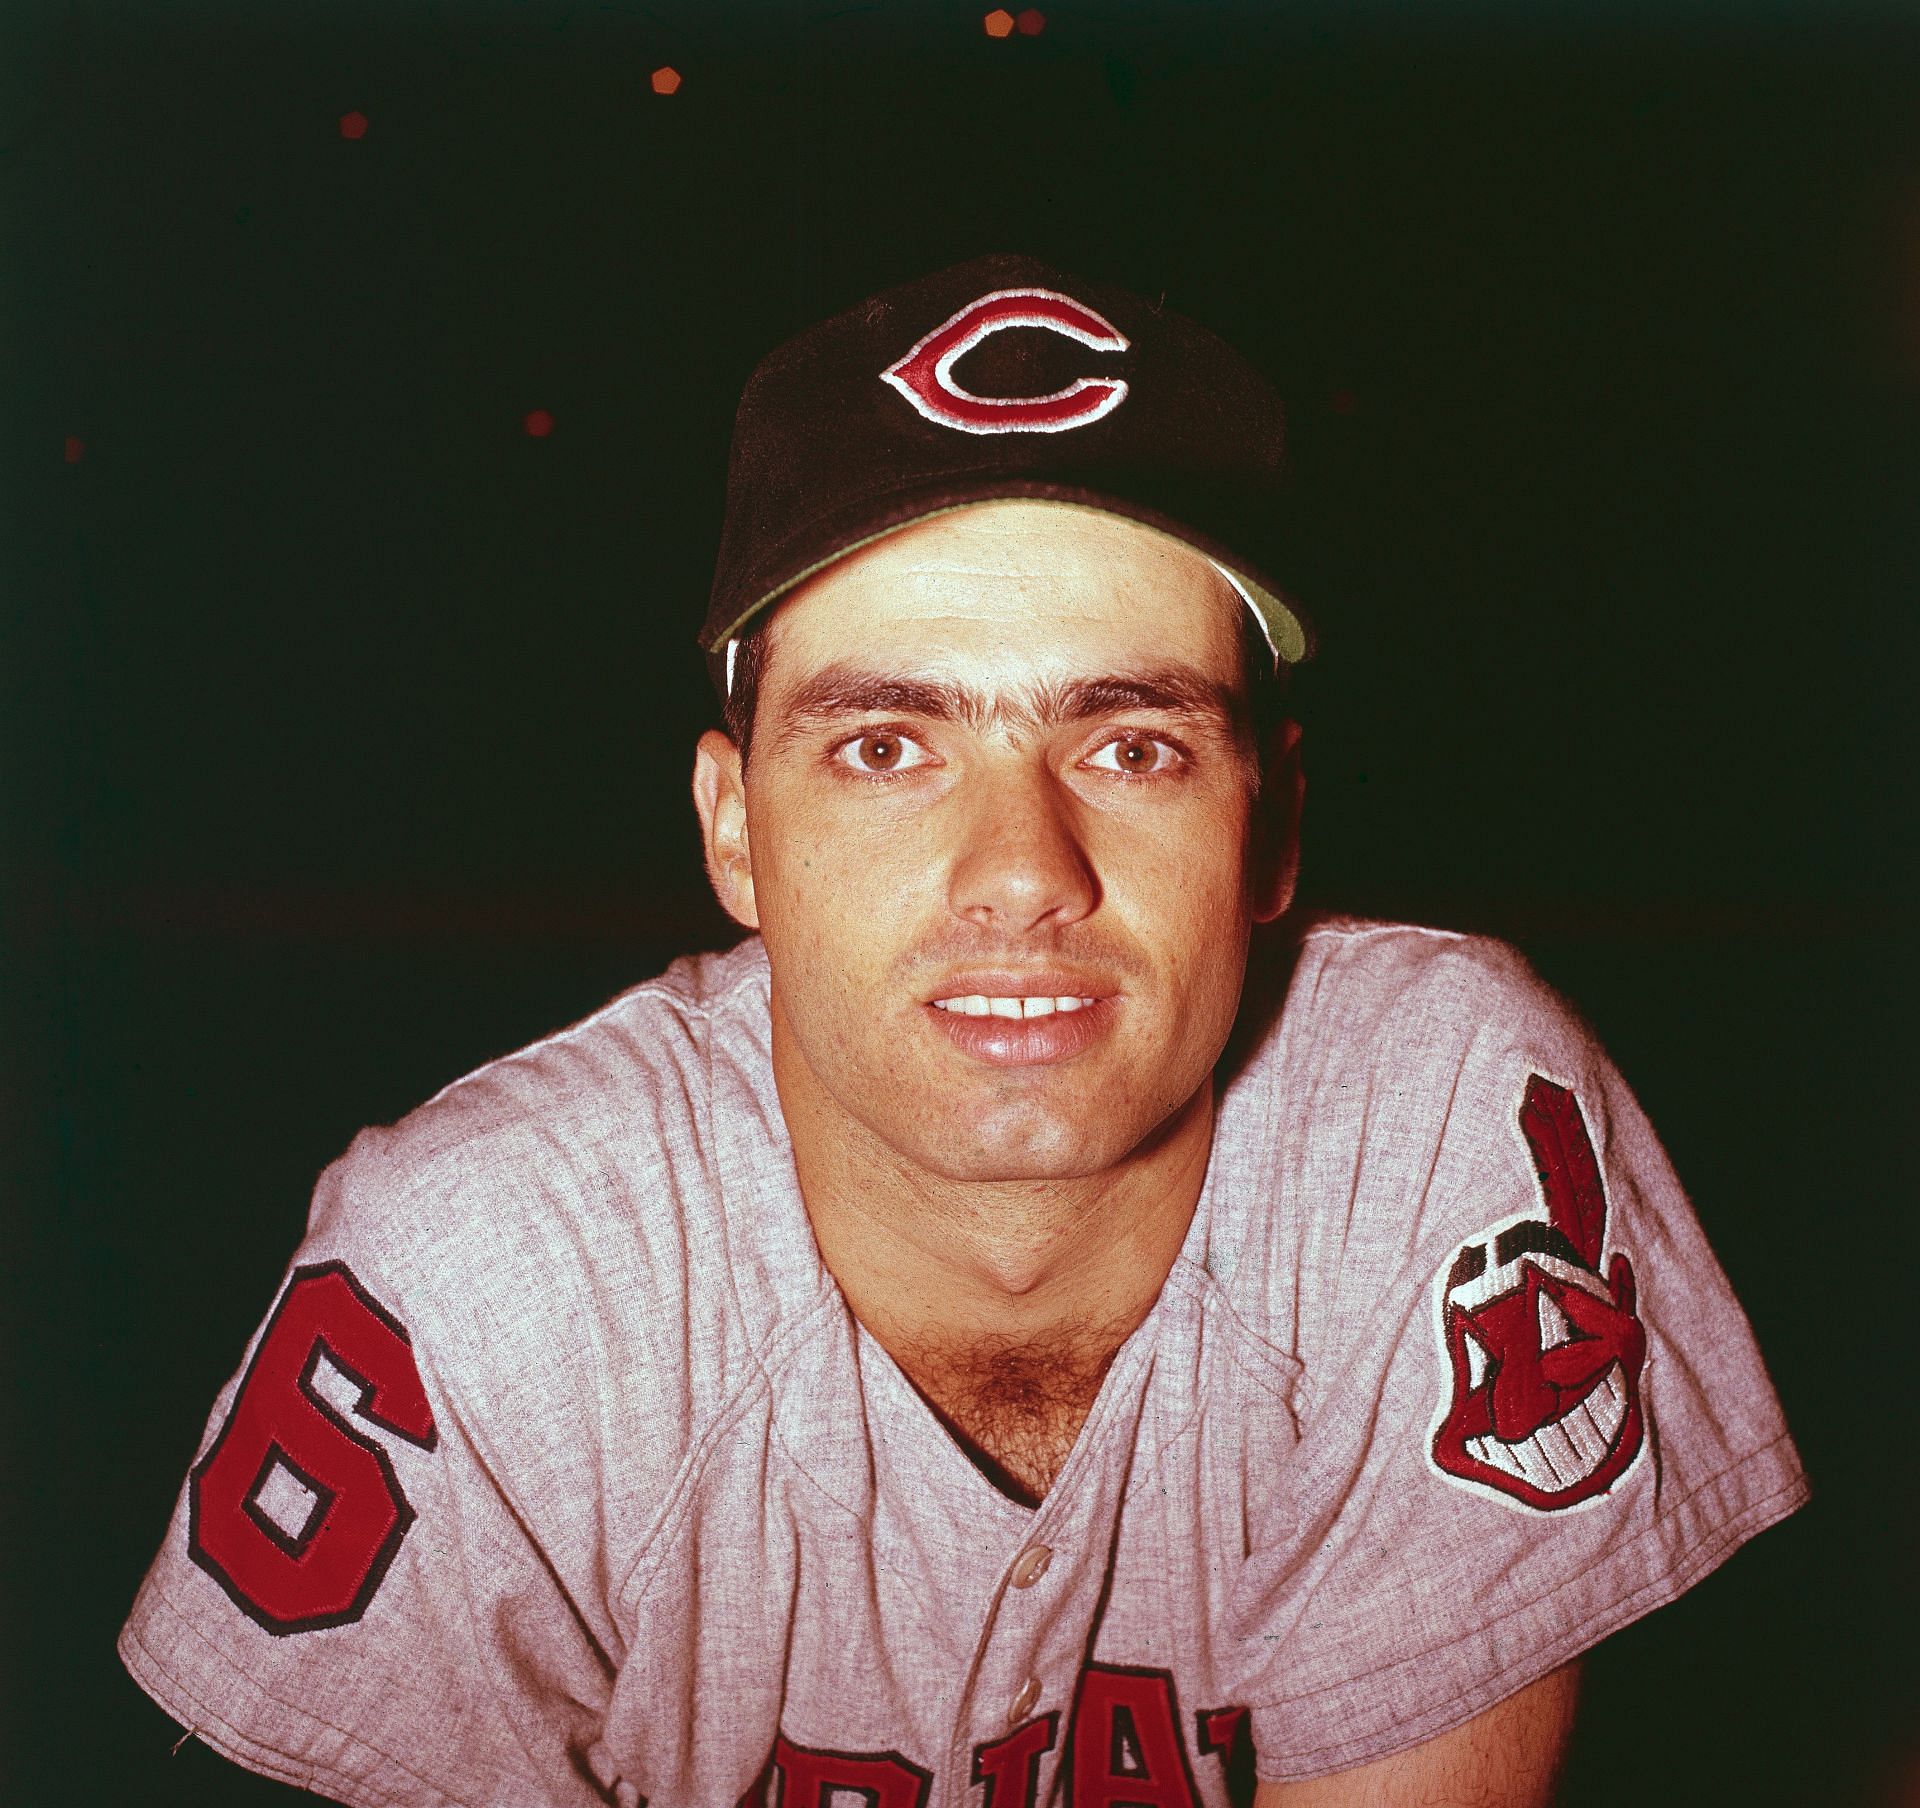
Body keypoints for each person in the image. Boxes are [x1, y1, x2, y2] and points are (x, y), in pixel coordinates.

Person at [117, 254, 1807, 1807]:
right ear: (733, 833)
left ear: (1272, 829)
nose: (1020, 875)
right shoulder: (495, 1273)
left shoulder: (1433, 1123)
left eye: (1134, 744)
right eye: (885, 748)